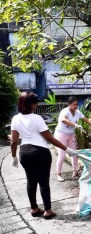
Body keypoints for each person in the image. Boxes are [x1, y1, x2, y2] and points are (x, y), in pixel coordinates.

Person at [10, 91, 77, 219]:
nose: (36, 105)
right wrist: (67, 149)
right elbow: (49, 138)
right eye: (35, 103)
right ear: (31, 104)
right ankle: (47, 211)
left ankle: (34, 208)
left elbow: (14, 141)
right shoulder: (37, 118)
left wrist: (14, 157)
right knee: (43, 182)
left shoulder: (15, 119)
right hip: (40, 152)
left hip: (25, 152)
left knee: (31, 181)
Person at [54, 96, 91, 182]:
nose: (76, 106)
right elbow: (63, 120)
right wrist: (75, 125)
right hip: (61, 135)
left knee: (74, 153)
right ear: (69, 104)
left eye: (77, 104)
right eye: (74, 105)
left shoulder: (77, 112)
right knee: (62, 154)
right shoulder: (65, 111)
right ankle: (58, 174)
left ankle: (75, 171)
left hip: (71, 135)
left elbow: (86, 120)